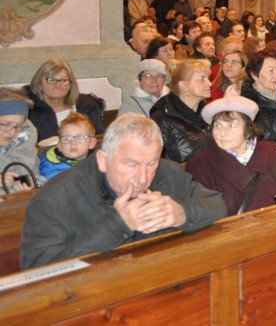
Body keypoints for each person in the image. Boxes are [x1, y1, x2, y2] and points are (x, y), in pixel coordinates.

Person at [19, 114, 227, 269]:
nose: (143, 178)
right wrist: (118, 225)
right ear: (103, 160)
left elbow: (217, 204)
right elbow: (40, 273)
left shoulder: (168, 172)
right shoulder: (55, 199)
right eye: (131, 164)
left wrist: (181, 213)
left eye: (152, 163)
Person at [185, 96, 276, 216]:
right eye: (217, 126)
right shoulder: (199, 165)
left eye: (231, 126)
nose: (222, 133)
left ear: (248, 129)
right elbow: (206, 216)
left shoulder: (271, 151)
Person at [25, 59, 105, 143]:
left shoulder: (88, 107)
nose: (58, 84)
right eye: (51, 80)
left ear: (70, 85)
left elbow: (98, 140)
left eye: (64, 80)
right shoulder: (29, 113)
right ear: (39, 84)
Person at [150, 59, 212, 163]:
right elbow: (161, 165)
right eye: (202, 78)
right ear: (184, 86)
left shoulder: (208, 114)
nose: (209, 83)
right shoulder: (162, 119)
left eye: (208, 78)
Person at [0, 89, 44, 194]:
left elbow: (38, 178)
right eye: (5, 124)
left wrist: (34, 185)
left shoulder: (25, 141)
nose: (12, 133)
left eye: (18, 126)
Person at [38, 112, 97, 180]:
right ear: (59, 146)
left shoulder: (98, 164)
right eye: (67, 139)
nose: (73, 143)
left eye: (80, 138)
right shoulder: (50, 169)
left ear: (91, 143)